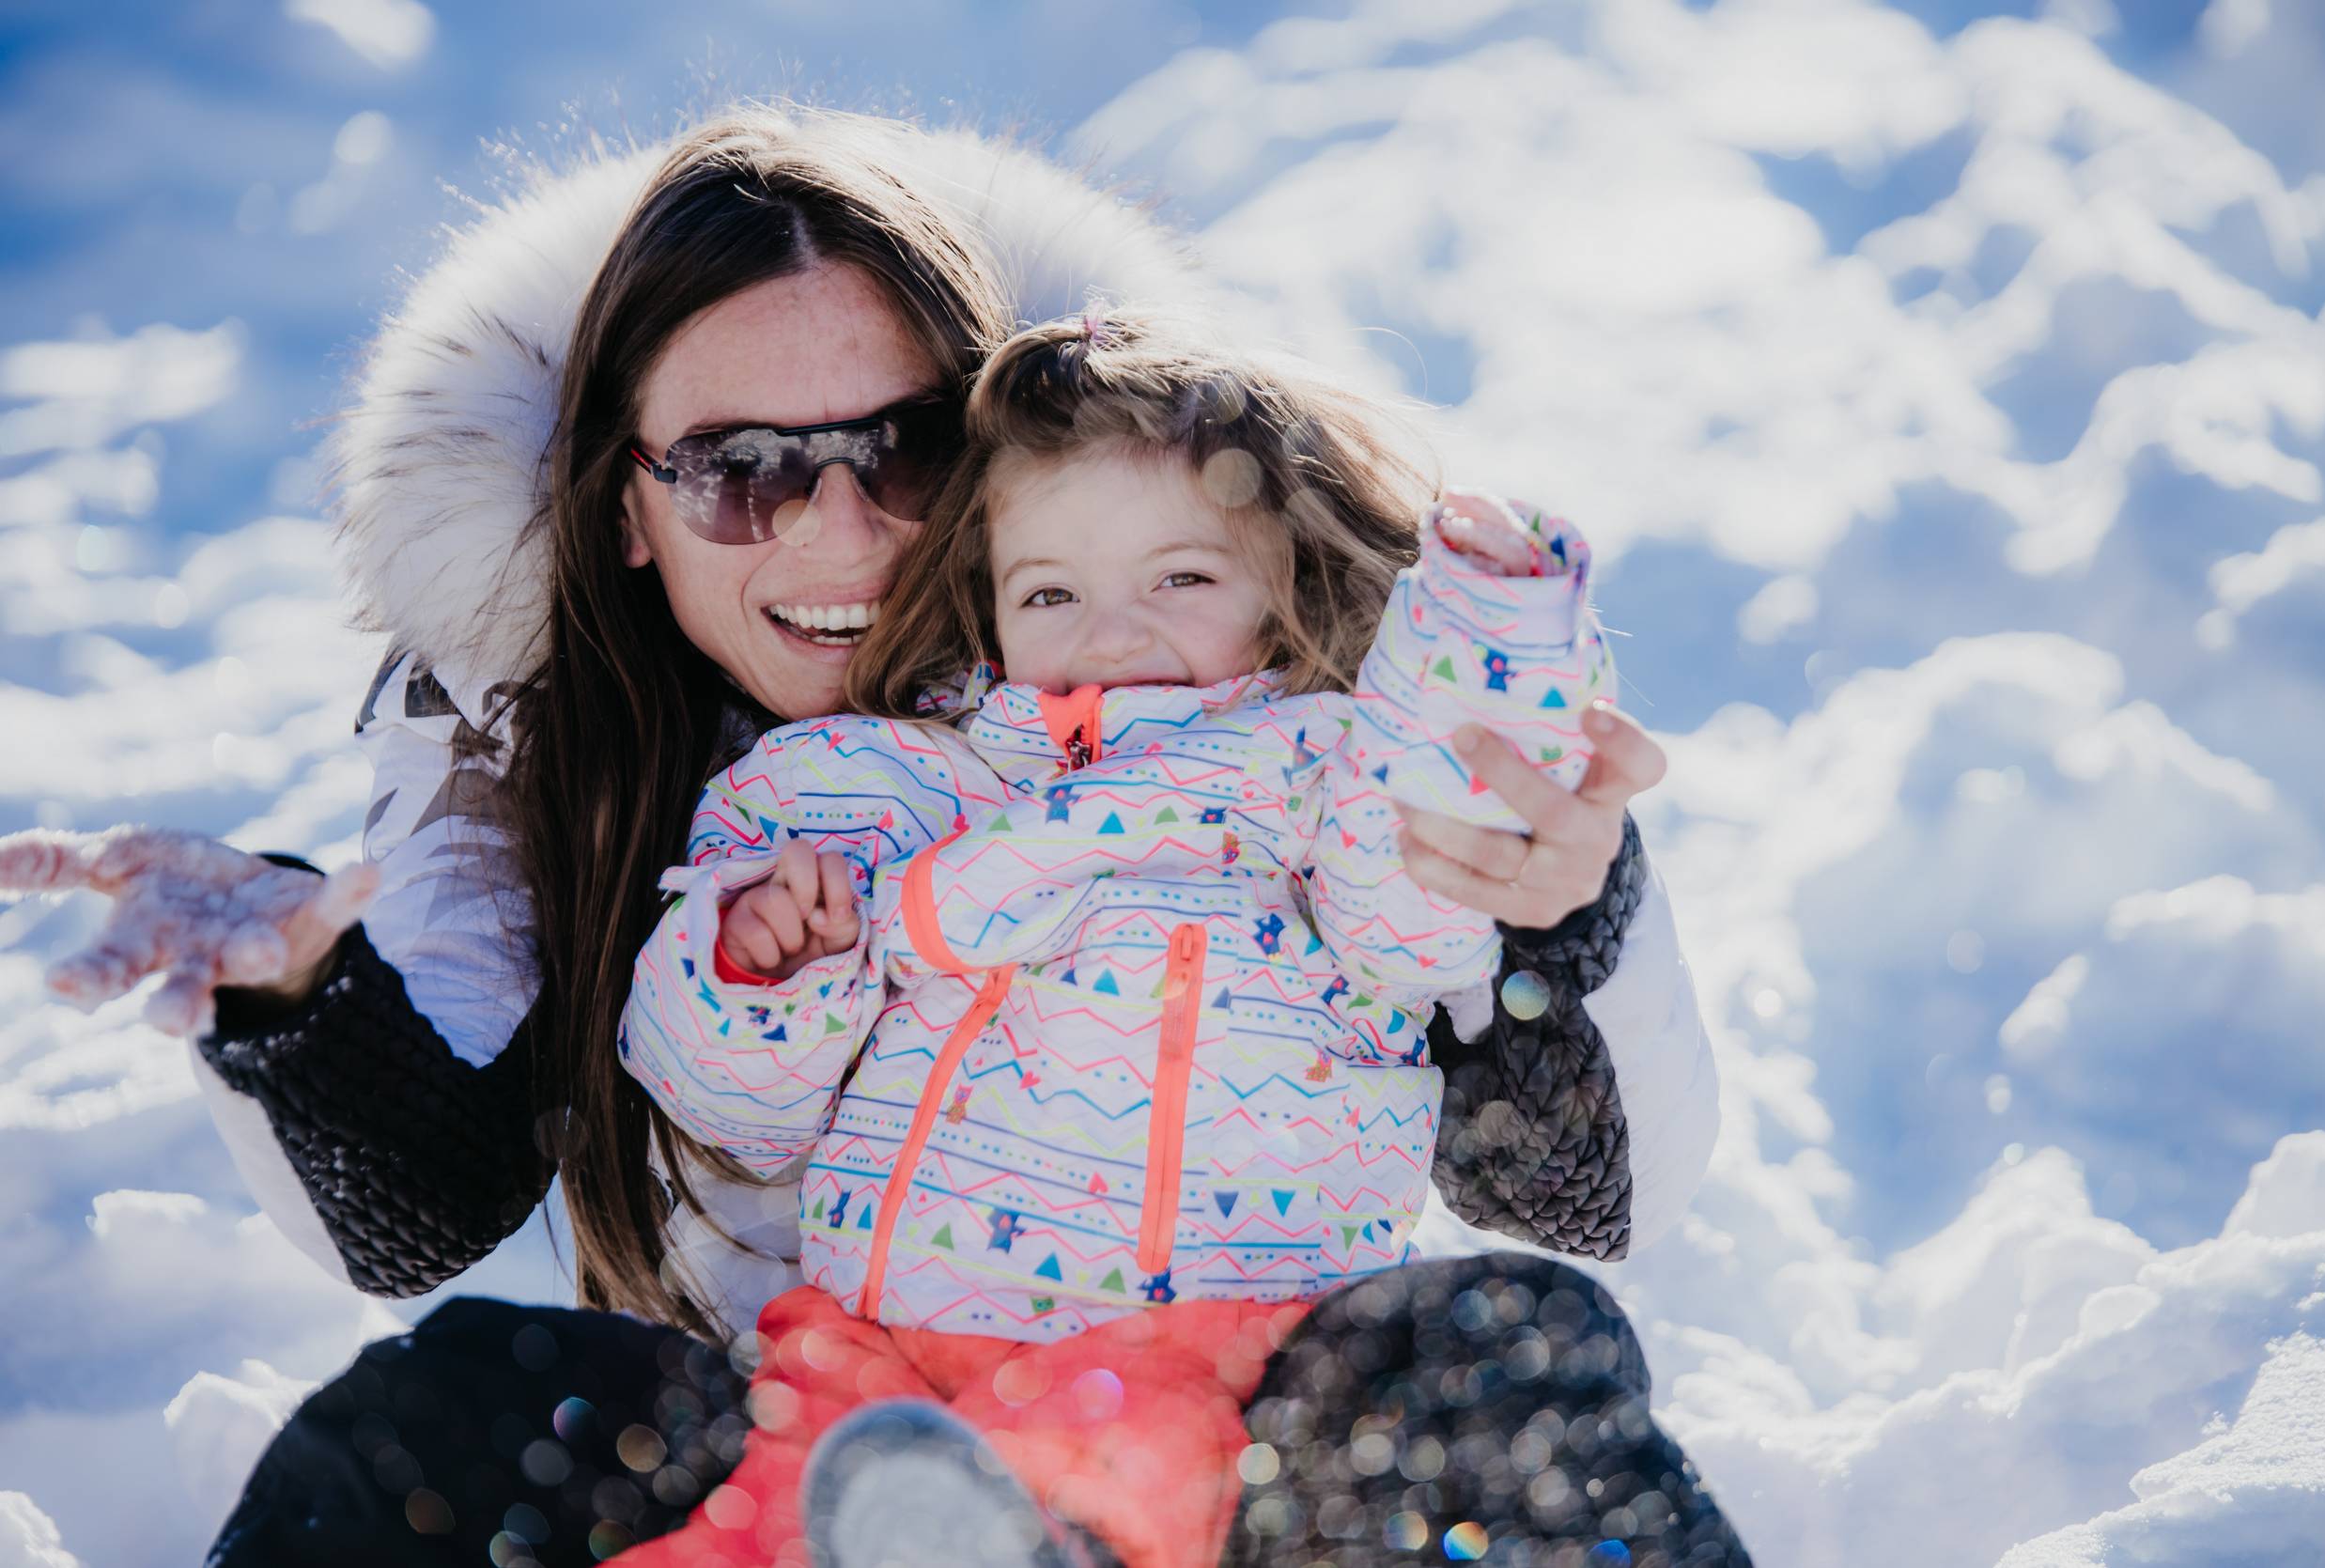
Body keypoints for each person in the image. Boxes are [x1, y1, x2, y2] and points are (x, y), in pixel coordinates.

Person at [0, 102, 1735, 1566]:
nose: (841, 532)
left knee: (1499, 1365)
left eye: (903, 446)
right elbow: (423, 1213)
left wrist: (1550, 909)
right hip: (820, 1411)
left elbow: (1586, 1186)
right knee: (449, 1417)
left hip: (1238, 1400)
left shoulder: (1238, 649)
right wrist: (306, 1002)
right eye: (744, 466)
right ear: (622, 507)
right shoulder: (536, 730)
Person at [612, 306, 1629, 1568]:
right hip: (888, 1330)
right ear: (985, 609)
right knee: (764, 1501)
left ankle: (1046, 1548)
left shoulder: (1323, 788)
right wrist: (763, 967)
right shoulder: (886, 786)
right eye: (1052, 590)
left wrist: (1488, 641)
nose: (1111, 631)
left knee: (1143, 1453)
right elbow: (724, 1098)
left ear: (1284, 587)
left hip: (1210, 1337)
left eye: (1181, 577)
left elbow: (1434, 884)